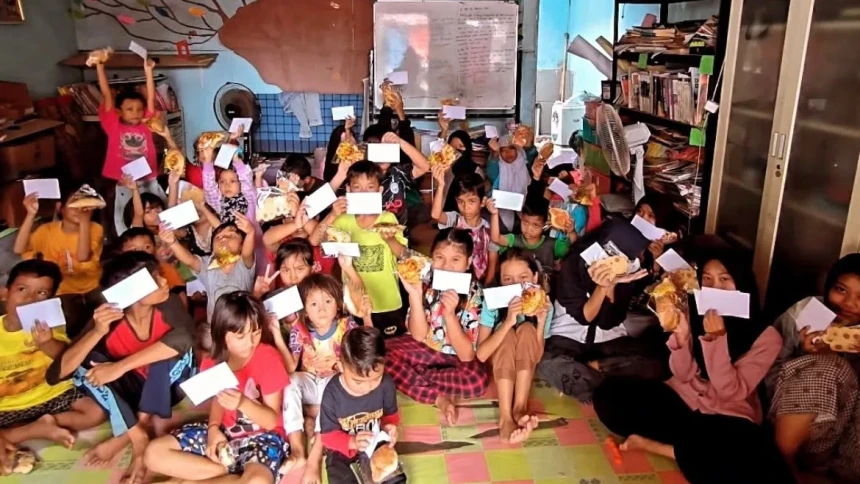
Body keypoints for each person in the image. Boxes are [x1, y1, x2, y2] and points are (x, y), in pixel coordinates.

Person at [591, 251, 793, 484]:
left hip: (726, 414)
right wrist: (682, 337)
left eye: (725, 279)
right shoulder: (693, 309)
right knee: (608, 396)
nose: (715, 288)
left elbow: (730, 391)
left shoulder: (767, 337)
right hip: (681, 401)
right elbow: (683, 374)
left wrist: (716, 339)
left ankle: (665, 448)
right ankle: (692, 449)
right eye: (707, 279)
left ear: (742, 283)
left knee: (747, 460)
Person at [46, 251, 194, 484]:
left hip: (168, 387)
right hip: (131, 392)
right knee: (88, 363)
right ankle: (138, 437)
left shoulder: (168, 303)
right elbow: (57, 374)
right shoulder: (111, 316)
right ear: (133, 291)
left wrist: (120, 367)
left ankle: (132, 433)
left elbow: (186, 338)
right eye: (156, 279)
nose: (165, 282)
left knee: (170, 352)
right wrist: (97, 332)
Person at [143, 291, 290, 484]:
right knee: (153, 454)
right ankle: (225, 471)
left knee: (258, 482)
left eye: (256, 333)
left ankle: (195, 478)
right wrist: (213, 430)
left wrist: (243, 402)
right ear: (222, 334)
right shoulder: (214, 361)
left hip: (262, 437)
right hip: (225, 434)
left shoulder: (269, 358)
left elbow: (271, 421)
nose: (250, 342)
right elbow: (218, 402)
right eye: (241, 336)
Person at [537, 218, 667, 402]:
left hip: (607, 341)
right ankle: (607, 386)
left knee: (656, 364)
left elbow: (609, 321)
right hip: (568, 338)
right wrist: (602, 287)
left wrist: (613, 285)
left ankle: (593, 371)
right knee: (546, 363)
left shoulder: (628, 271)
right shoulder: (574, 264)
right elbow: (585, 318)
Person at [767, 254, 860, 482]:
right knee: (828, 365)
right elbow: (765, 368)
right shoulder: (808, 311)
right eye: (841, 289)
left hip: (844, 435)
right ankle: (781, 469)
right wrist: (807, 356)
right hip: (785, 420)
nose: (849, 303)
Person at [386, 228, 488, 425]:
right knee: (380, 353)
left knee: (477, 381)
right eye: (440, 257)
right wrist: (415, 296)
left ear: (468, 262)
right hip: (424, 348)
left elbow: (467, 356)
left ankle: (413, 374)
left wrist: (450, 316)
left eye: (455, 260)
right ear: (432, 258)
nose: (446, 266)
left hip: (455, 357)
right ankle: (438, 398)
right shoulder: (425, 277)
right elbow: (417, 336)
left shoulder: (475, 293)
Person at [0, 260, 105, 450]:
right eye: (22, 289)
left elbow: (64, 361)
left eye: (41, 293)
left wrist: (46, 342)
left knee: (95, 412)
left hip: (52, 395)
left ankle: (24, 431)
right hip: (8, 405)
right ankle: (36, 429)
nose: (30, 299)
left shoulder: (48, 324)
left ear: (50, 300)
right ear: (5, 293)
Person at [277, 274, 369, 484]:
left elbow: (363, 353)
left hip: (335, 387)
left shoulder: (347, 327)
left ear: (338, 303)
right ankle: (298, 450)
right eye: (314, 303)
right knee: (290, 380)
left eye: (328, 301)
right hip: (310, 381)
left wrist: (366, 316)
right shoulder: (298, 331)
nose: (322, 309)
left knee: (333, 383)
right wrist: (275, 334)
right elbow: (291, 366)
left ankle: (315, 454)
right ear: (305, 310)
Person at [310, 161, 408, 337]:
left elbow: (402, 254)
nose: (363, 192)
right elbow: (315, 240)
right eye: (357, 187)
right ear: (348, 190)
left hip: (387, 301)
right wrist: (332, 215)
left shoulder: (388, 218)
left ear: (379, 192)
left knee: (390, 351)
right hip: (354, 303)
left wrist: (390, 238)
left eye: (370, 187)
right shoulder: (341, 220)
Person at [476, 249, 552, 443]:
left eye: (523, 277)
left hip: (527, 356)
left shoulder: (543, 302)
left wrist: (541, 322)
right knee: (508, 333)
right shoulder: (493, 302)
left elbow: (537, 355)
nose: (516, 285)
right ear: (500, 281)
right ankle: (505, 418)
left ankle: (519, 407)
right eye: (508, 279)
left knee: (527, 328)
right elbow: (482, 355)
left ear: (535, 277)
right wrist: (508, 321)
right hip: (500, 357)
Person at [319, 326, 405, 484]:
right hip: (343, 451)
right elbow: (327, 437)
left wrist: (390, 427)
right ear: (341, 366)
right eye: (358, 382)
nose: (368, 387)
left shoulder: (386, 384)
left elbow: (391, 415)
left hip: (375, 443)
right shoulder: (332, 395)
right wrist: (351, 442)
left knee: (396, 479)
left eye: (375, 379)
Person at [160, 214, 256, 352]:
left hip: (243, 326)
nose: (223, 238)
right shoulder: (208, 265)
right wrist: (172, 242)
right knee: (201, 338)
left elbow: (248, 252)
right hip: (215, 329)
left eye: (231, 236)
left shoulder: (243, 263)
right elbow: (189, 260)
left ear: (242, 245)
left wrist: (251, 233)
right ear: (212, 249)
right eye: (218, 237)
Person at [94, 56, 165, 238]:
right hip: (125, 182)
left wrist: (148, 71)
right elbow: (106, 95)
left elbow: (150, 99)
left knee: (163, 216)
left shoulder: (147, 124)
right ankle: (129, 249)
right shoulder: (113, 125)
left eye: (139, 109)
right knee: (124, 220)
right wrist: (100, 67)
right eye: (129, 109)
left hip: (149, 180)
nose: (136, 113)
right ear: (119, 111)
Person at [13, 191, 103, 296]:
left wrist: (84, 222)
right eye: (74, 204)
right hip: (60, 291)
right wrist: (31, 214)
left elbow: (82, 257)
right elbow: (18, 249)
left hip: (92, 287)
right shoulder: (47, 230)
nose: (80, 210)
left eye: (85, 206)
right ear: (60, 207)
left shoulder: (96, 228)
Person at [430, 169, 497, 285]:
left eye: (471, 201)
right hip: (452, 280)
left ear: (482, 202)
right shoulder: (454, 220)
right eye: (461, 202)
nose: (466, 207)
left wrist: (486, 286)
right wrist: (441, 186)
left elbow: (492, 262)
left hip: (478, 284)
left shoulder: (489, 228)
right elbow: (435, 215)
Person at [488, 196, 573, 274]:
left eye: (535, 225)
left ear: (545, 224)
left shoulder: (553, 244)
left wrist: (572, 232)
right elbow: (496, 239)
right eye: (525, 222)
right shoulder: (514, 239)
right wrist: (494, 214)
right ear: (521, 217)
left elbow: (574, 250)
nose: (529, 229)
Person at [116, 227, 188, 308]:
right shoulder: (118, 276)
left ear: (154, 248)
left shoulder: (165, 269)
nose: (142, 252)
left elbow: (181, 296)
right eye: (134, 249)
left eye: (147, 247)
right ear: (121, 253)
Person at [486, 136, 530, 232]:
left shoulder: (526, 163)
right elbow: (491, 168)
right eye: (503, 150)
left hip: (526, 211)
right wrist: (495, 153)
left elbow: (532, 152)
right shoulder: (498, 166)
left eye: (511, 149)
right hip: (500, 213)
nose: (508, 153)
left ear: (518, 150)